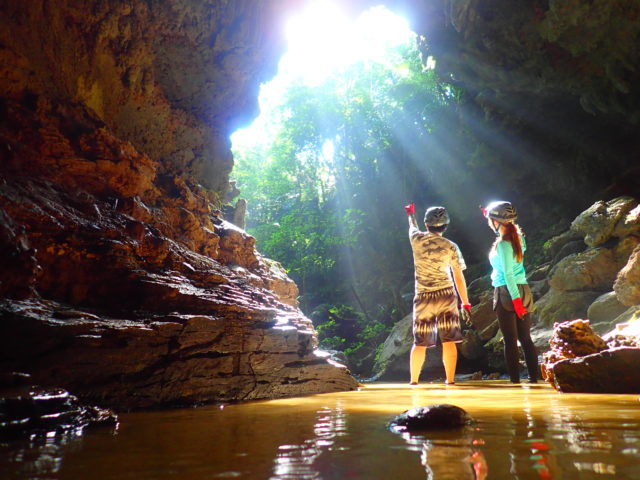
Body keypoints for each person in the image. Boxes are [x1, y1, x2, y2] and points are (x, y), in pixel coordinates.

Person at [405, 203, 471, 385]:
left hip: (423, 296)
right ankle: (450, 382)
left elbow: (412, 227)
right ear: (446, 226)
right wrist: (465, 302)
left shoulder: (416, 239)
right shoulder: (451, 247)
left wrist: (411, 215)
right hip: (446, 296)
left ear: (426, 224)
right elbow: (458, 276)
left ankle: (414, 383)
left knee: (420, 342)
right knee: (449, 340)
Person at [482, 201, 539, 384]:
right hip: (524, 289)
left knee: (510, 340)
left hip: (507, 292)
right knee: (526, 339)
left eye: (491, 220)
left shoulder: (503, 244)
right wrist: (490, 215)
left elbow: (507, 274)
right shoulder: (518, 238)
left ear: (496, 221)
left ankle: (515, 382)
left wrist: (515, 301)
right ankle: (534, 379)